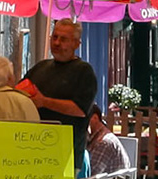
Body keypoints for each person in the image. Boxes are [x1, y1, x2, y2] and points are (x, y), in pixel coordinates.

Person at [21, 19, 100, 160]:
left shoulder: (84, 71)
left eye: (63, 39)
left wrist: (44, 102)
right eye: (55, 37)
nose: (57, 43)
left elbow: (80, 109)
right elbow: (19, 92)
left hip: (65, 155)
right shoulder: (40, 67)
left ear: (76, 44)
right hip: (33, 150)